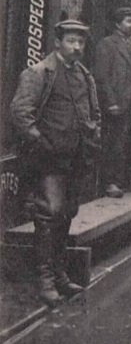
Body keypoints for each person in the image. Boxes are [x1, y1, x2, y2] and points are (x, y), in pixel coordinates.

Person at [10, 19, 101, 306]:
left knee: (67, 214)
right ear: (57, 43)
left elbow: (93, 112)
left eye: (81, 42)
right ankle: (45, 280)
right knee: (50, 214)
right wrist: (41, 142)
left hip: (75, 158)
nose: (77, 47)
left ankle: (60, 275)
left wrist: (92, 132)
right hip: (48, 160)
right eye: (71, 41)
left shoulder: (84, 75)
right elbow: (20, 113)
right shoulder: (39, 73)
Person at [94, 7, 131, 198]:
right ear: (117, 24)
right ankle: (110, 182)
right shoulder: (107, 44)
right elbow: (101, 77)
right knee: (114, 143)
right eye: (128, 21)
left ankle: (127, 179)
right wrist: (110, 102)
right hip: (117, 103)